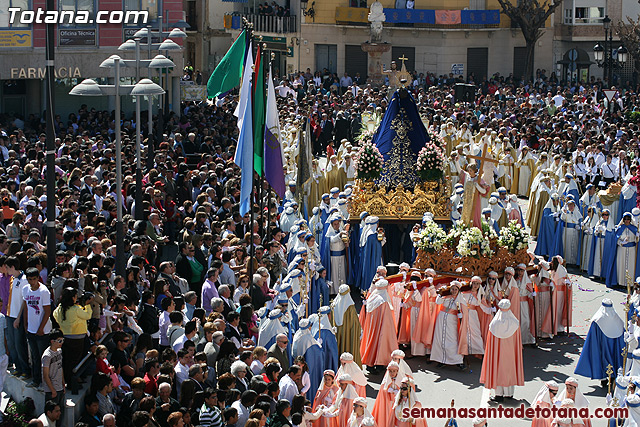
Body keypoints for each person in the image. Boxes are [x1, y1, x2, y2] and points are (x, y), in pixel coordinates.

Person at [480, 299, 524, 401]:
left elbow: (490, 342)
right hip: (511, 353)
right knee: (509, 370)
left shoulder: (494, 324)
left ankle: (499, 394)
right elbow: (517, 341)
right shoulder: (515, 323)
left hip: (498, 353)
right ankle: (509, 394)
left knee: (498, 369)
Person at [574, 299, 625, 384]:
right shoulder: (617, 319)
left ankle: (603, 378)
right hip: (613, 346)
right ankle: (612, 377)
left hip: (603, 345)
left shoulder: (597, 320)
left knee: (603, 359)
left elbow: (592, 336)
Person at [52, 286, 92, 391]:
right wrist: (87, 305)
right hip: (77, 339)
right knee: (75, 362)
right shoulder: (75, 309)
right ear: (73, 298)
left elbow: (54, 315)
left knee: (67, 361)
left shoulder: (60, 308)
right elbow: (87, 316)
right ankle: (72, 383)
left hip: (65, 338)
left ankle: (66, 381)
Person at [20, 266, 52, 388]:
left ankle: (45, 382)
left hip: (42, 331)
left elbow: (47, 311)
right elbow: (26, 307)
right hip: (31, 329)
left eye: (34, 279)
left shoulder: (44, 291)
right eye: (29, 279)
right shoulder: (25, 289)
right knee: (34, 356)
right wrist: (25, 324)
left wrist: (40, 329)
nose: (32, 282)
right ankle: (36, 380)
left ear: (38, 278)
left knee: (43, 358)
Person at [359, 279, 398, 371]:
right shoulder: (383, 301)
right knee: (380, 343)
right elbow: (387, 318)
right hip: (382, 327)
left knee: (371, 341)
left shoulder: (372, 297)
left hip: (371, 327)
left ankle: (370, 363)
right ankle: (379, 363)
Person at [430, 281, 465, 369]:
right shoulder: (446, 296)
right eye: (452, 289)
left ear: (458, 290)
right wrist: (441, 295)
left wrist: (461, 314)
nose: (454, 291)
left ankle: (457, 360)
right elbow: (438, 302)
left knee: (452, 340)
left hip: (451, 320)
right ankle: (441, 359)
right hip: (441, 318)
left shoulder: (461, 298)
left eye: (455, 289)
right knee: (440, 338)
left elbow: (464, 309)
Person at [331, 285, 361, 366]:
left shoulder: (334, 303)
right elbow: (354, 323)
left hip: (337, 332)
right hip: (347, 333)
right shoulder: (350, 306)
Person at [41, 329, 65, 424]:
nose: (61, 343)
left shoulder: (59, 351)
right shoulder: (47, 356)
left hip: (60, 387)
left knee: (59, 415)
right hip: (52, 390)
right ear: (52, 341)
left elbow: (60, 367)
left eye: (62, 340)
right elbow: (45, 375)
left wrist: (63, 383)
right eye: (59, 341)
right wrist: (52, 390)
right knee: (51, 416)